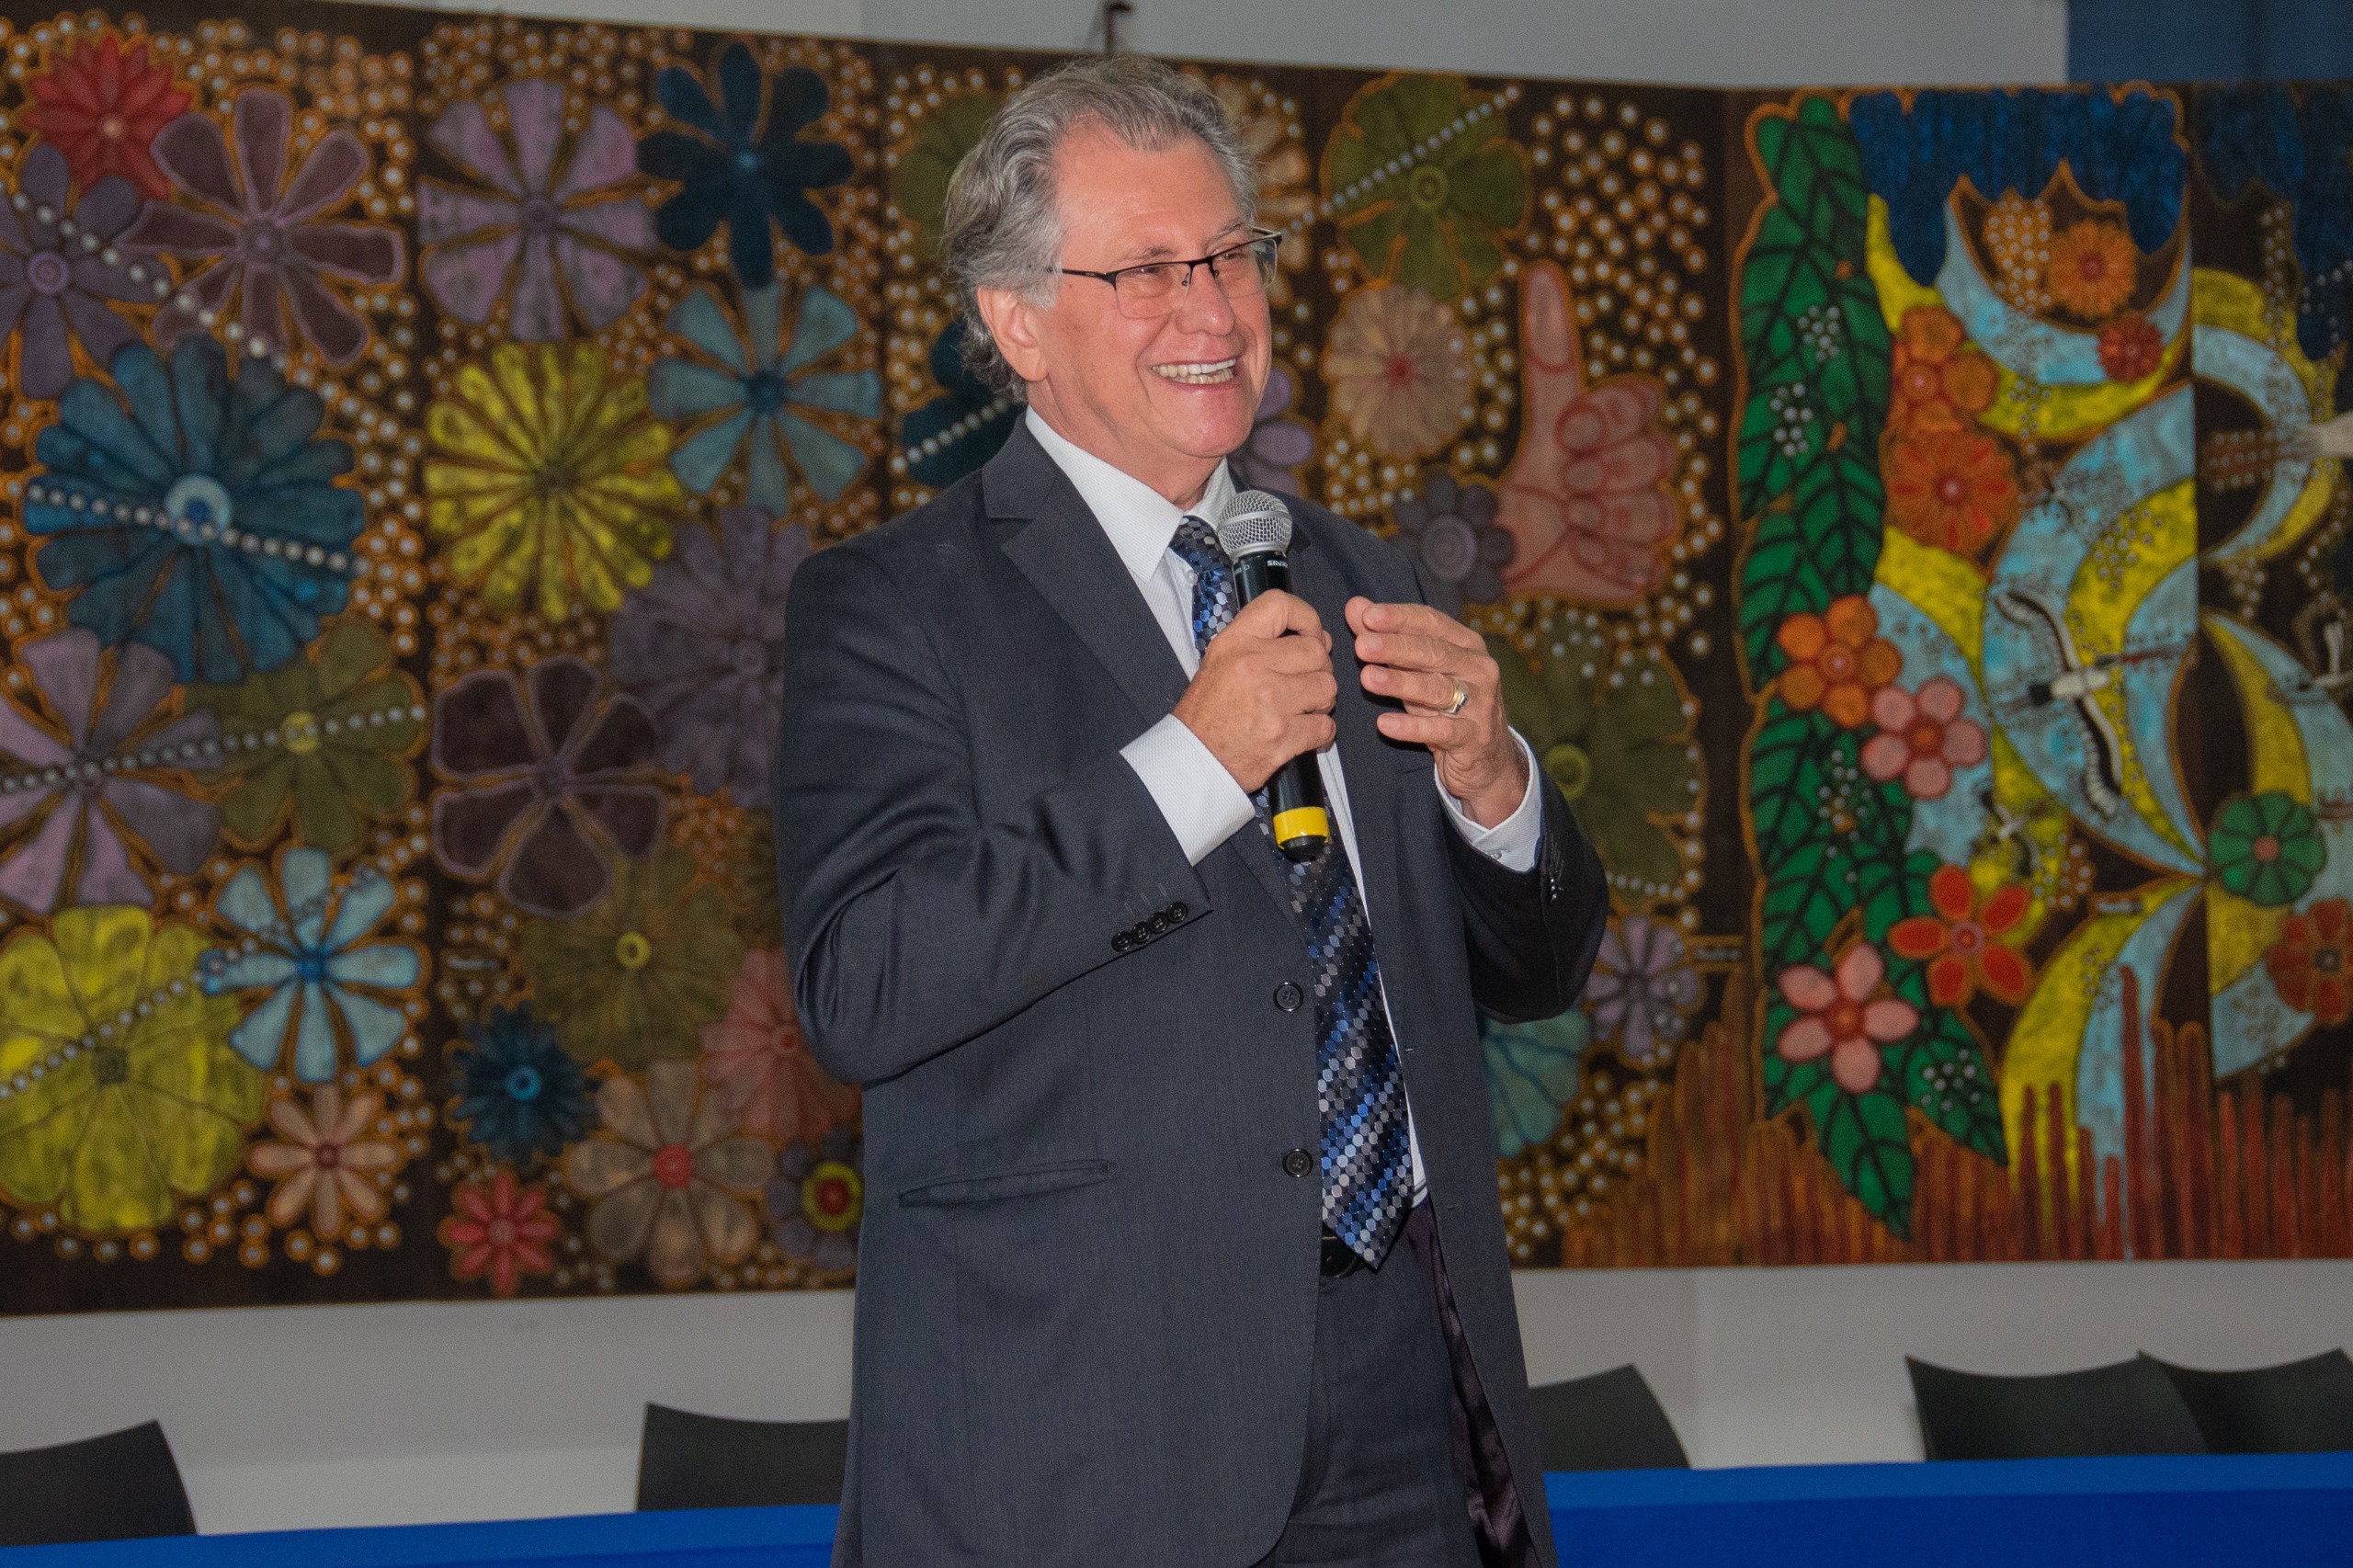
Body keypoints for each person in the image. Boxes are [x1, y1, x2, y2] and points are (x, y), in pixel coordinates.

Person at [776, 54, 1606, 1568]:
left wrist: (1500, 792)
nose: (1215, 313)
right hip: (1086, 1429)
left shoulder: (1364, 576)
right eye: (1149, 270)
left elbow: (1531, 974)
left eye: (1232, 255)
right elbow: (864, 982)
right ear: (1015, 321)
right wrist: (1187, 766)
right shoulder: (892, 607)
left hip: (1412, 1405)